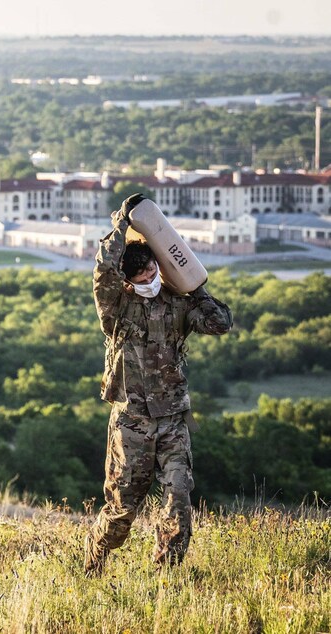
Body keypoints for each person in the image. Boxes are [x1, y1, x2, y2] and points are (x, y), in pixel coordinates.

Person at [84, 194, 233, 576]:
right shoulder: (116, 308)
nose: (149, 280)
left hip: (172, 420)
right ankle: (95, 557)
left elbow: (220, 324)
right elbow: (103, 272)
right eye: (141, 278)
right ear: (129, 280)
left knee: (178, 502)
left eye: (153, 271)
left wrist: (195, 288)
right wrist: (120, 224)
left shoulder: (178, 303)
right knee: (121, 513)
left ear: (158, 265)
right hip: (131, 422)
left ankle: (168, 578)